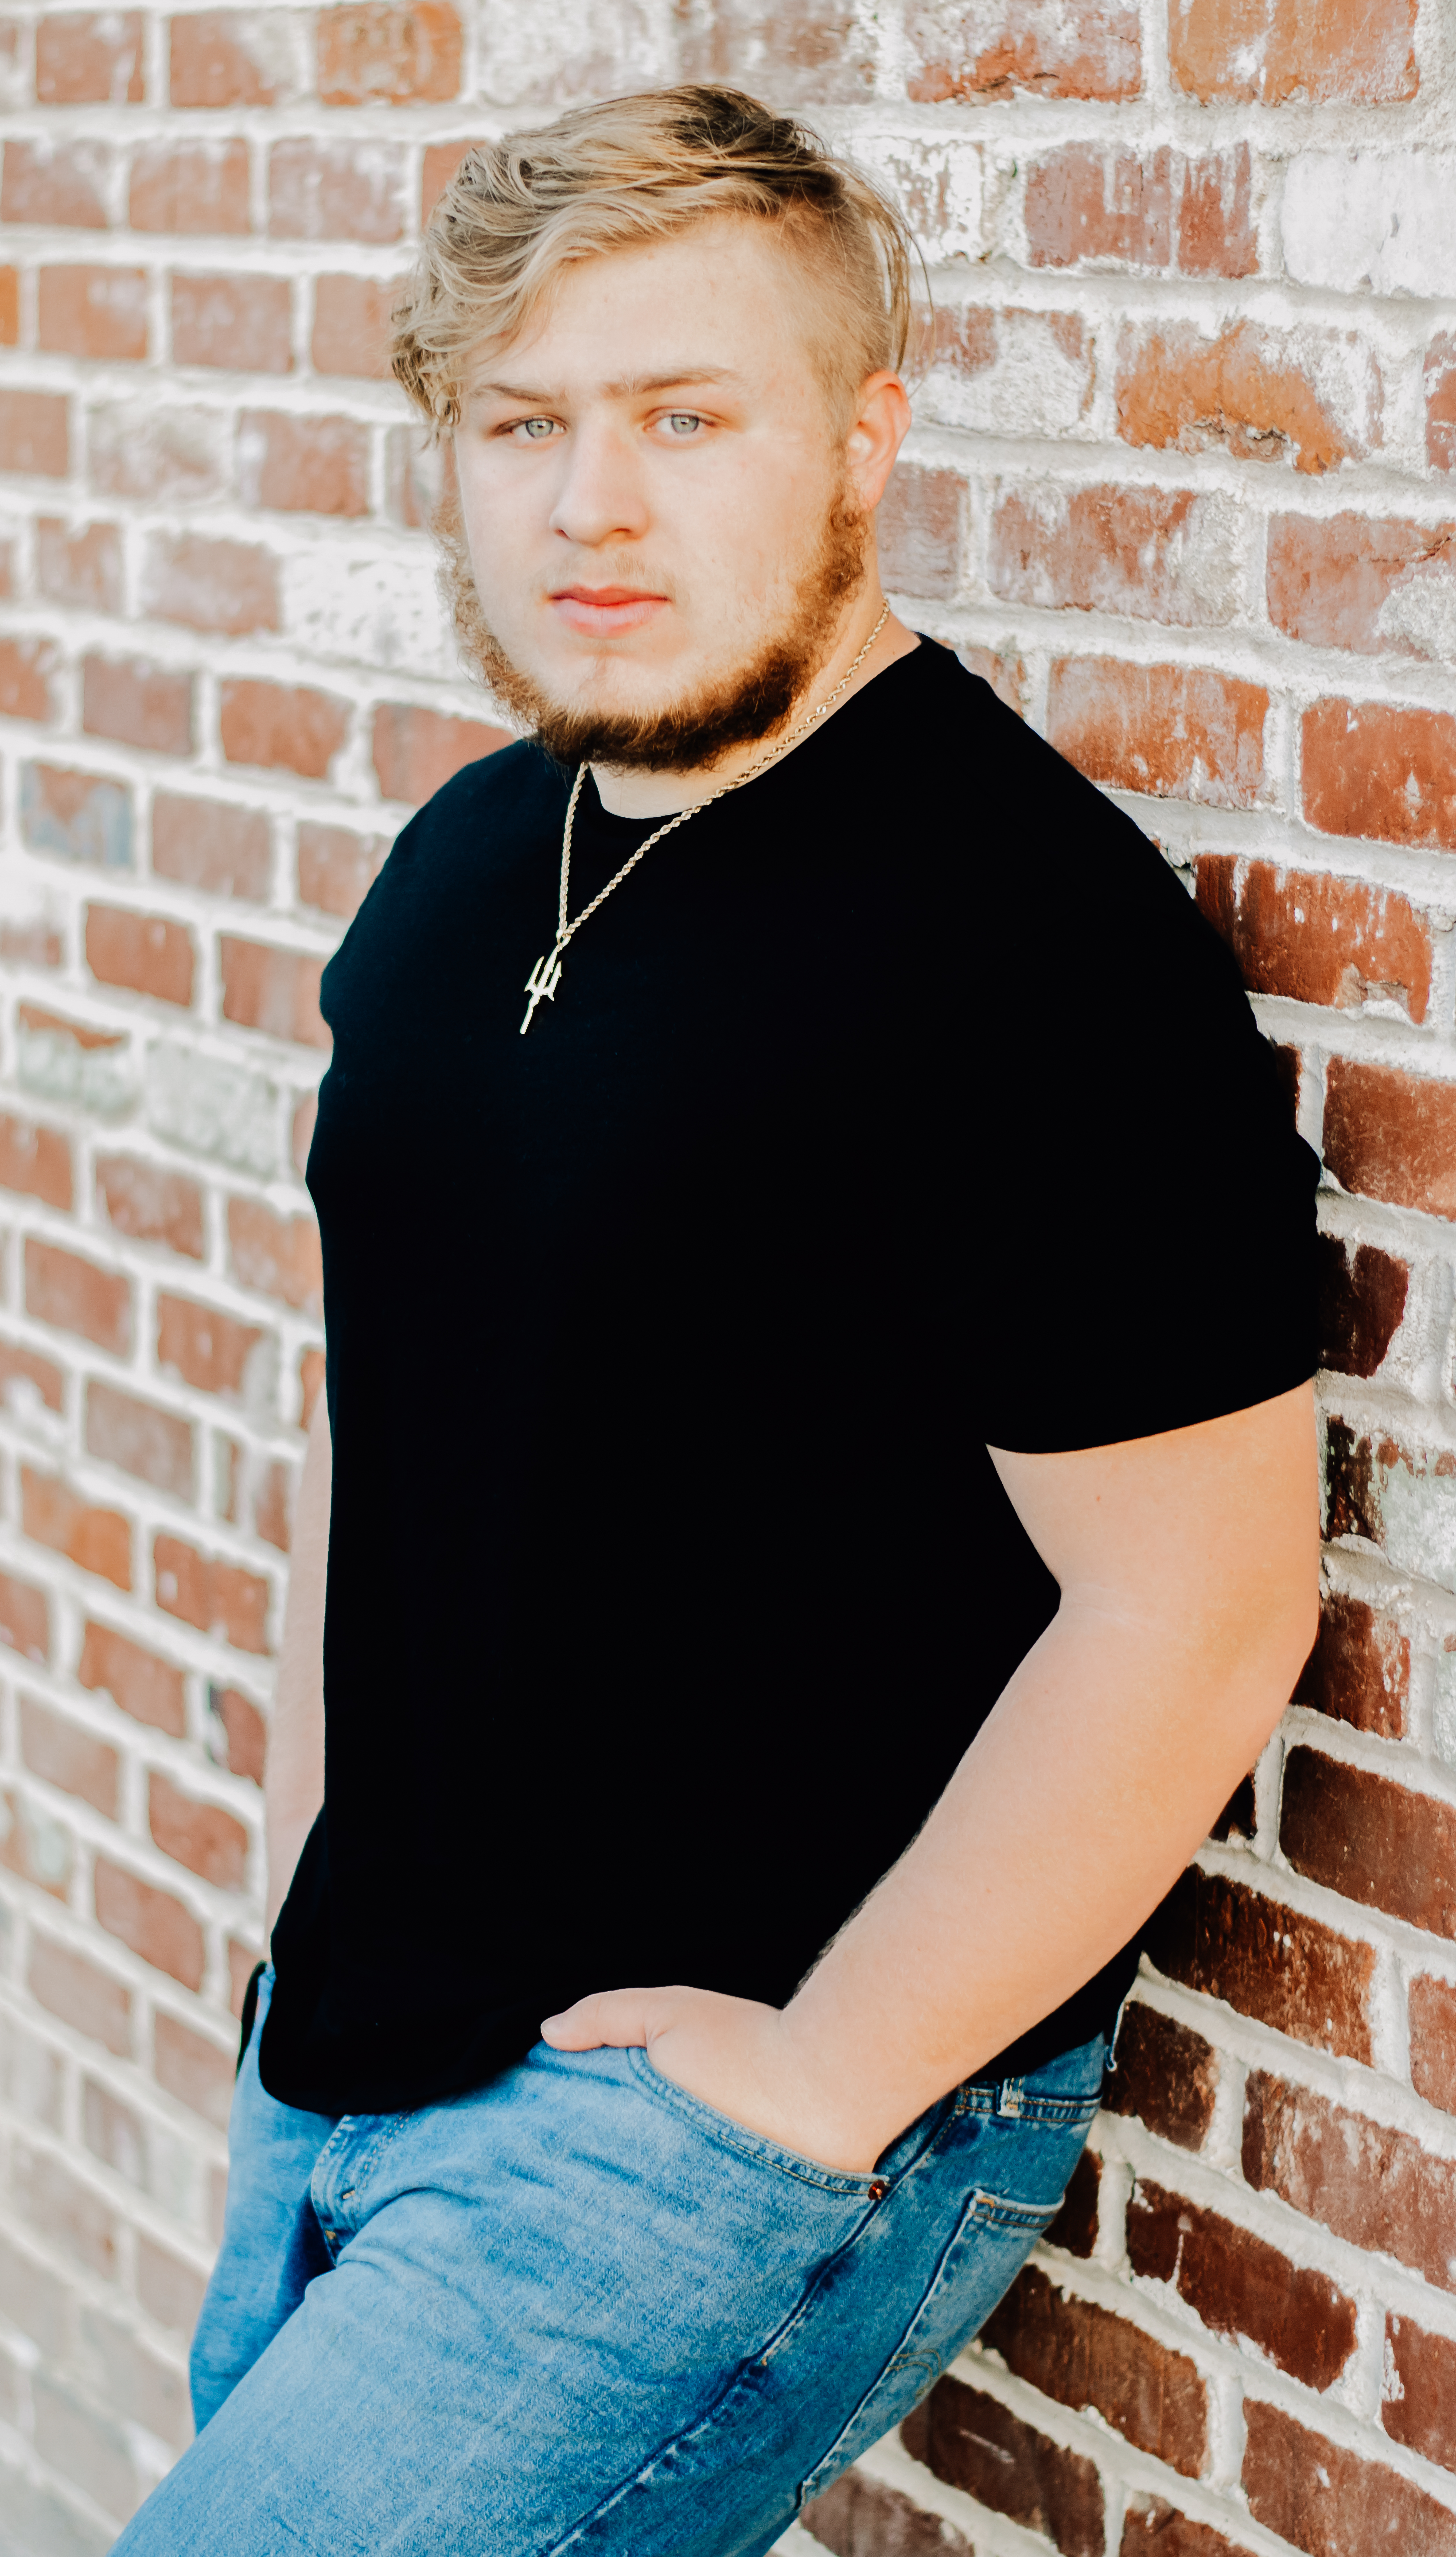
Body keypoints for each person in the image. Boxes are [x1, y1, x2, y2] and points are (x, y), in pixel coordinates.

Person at [112, 86, 1318, 2557]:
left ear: (861, 440)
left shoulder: (1031, 947)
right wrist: (296, 1875)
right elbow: (394, 1411)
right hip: (349, 2041)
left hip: (712, 2119)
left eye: (687, 417)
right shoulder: (464, 865)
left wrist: (808, 2084)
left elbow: (1198, 1601)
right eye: (526, 426)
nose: (596, 506)